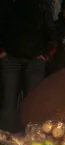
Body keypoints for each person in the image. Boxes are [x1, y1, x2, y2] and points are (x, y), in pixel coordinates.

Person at [0, 0, 57, 132]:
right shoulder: (7, 3)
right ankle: (7, 139)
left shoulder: (40, 5)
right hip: (11, 57)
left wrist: (47, 53)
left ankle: (32, 136)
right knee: (9, 101)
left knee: (33, 102)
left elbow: (51, 30)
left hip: (35, 59)